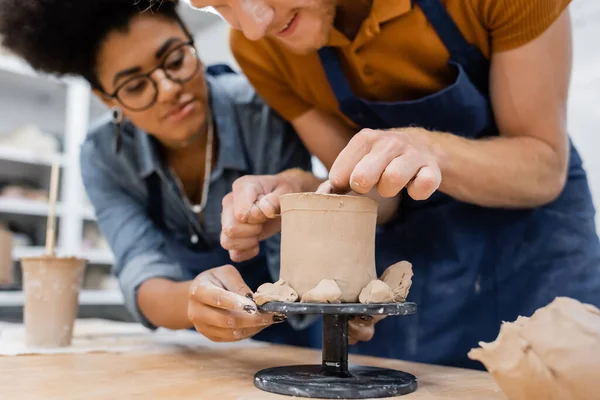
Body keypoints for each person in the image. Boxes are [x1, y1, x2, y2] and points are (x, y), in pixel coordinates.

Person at [183, 0, 600, 368]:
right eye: (218, 6)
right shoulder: (259, 45)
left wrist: (428, 150)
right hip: (424, 259)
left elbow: (543, 167)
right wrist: (302, 194)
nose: (255, 25)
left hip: (537, 247)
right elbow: (374, 199)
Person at [0, 0, 336, 347]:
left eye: (176, 61)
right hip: (198, 341)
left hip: (290, 336)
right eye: (135, 87)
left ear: (193, 43)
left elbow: (296, 269)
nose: (169, 89)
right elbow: (140, 270)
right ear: (108, 100)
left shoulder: (262, 113)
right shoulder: (104, 157)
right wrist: (193, 301)